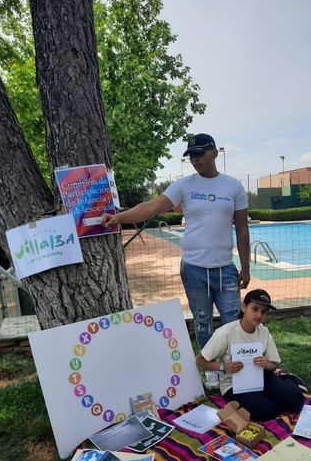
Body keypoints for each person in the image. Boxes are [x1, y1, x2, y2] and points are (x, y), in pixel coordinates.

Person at [102, 133, 250, 388]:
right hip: (193, 269)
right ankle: (213, 372)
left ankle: (236, 372)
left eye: (199, 153)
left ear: (214, 152)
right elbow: (152, 207)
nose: (194, 159)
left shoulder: (233, 186)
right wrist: (118, 217)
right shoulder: (184, 186)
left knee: (232, 324)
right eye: (190, 155)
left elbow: (242, 229)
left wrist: (246, 267)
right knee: (202, 323)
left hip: (225, 269)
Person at [196, 289, 305, 421]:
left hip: (260, 377)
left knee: (297, 402)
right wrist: (223, 367)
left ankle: (288, 382)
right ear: (244, 307)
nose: (258, 315)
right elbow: (200, 360)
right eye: (255, 309)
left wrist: (266, 364)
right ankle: (275, 394)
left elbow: (274, 364)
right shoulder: (225, 333)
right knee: (267, 411)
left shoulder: (264, 332)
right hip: (233, 384)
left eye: (263, 312)